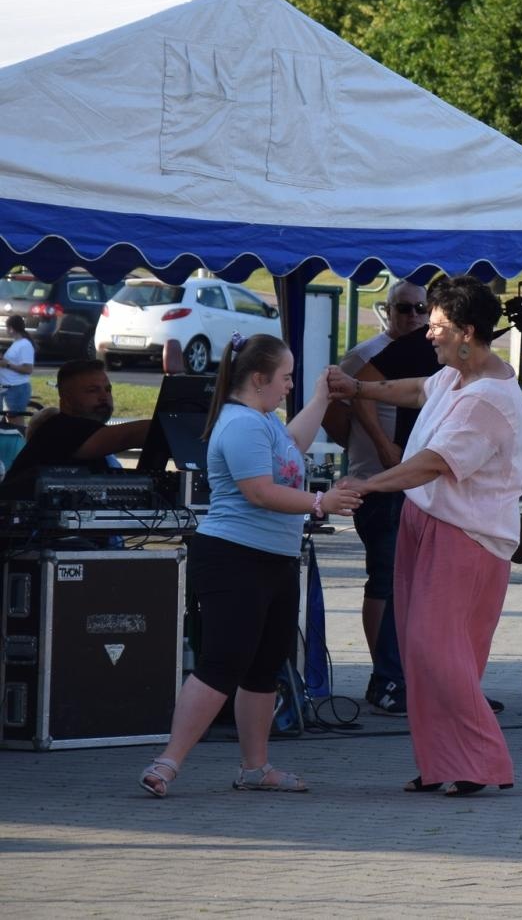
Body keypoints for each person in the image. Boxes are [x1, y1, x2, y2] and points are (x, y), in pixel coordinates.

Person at [331, 275, 522, 796]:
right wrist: (359, 388)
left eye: (438, 325)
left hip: (466, 536)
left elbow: (432, 464)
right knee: (422, 653)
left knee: (437, 650)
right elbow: (417, 389)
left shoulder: (486, 398)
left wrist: (366, 485)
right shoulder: (454, 376)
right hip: (428, 524)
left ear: (467, 331)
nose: (428, 334)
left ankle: (483, 760)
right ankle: (444, 762)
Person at [137, 335, 360, 799]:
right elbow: (259, 491)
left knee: (263, 667)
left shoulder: (263, 421)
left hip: (273, 561)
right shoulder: (240, 425)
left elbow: (293, 446)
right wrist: (322, 501)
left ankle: (255, 767)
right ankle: (168, 761)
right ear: (259, 379)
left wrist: (321, 396)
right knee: (223, 661)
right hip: (233, 558)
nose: (289, 386)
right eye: (286, 378)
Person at [326, 280, 431, 717]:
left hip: (420, 485)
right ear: (387, 310)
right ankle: (384, 674)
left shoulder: (431, 353)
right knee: (386, 578)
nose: (413, 316)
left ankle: (408, 674)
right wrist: (373, 448)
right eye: (404, 308)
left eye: (422, 308)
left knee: (414, 582)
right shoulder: (366, 355)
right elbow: (336, 408)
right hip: (377, 483)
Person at [0, 360, 151, 495]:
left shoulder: (87, 432)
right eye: (93, 390)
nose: (104, 396)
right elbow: (128, 436)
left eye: (108, 389)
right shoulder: (61, 428)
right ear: (65, 400)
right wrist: (170, 424)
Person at [1, 315, 35, 428]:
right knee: (10, 421)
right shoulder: (17, 343)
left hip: (17, 389)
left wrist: (7, 364)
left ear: (11, 328)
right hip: (9, 388)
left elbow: (28, 369)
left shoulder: (25, 345)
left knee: (16, 424)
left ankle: (20, 443)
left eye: (7, 328)